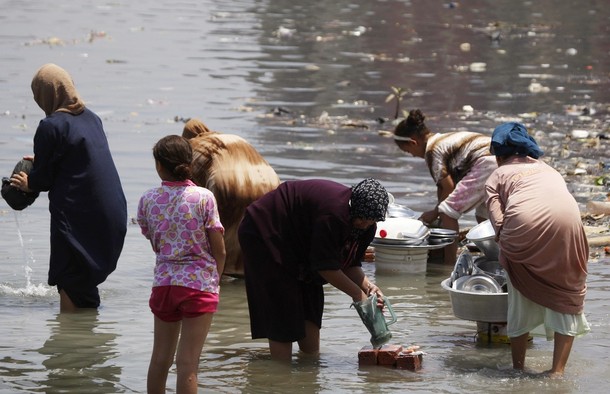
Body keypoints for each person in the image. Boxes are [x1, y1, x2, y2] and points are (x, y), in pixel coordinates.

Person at [9, 63, 127, 312]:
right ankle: (85, 339)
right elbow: (80, 159)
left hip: (78, 218)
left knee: (70, 278)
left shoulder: (50, 126)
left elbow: (42, 181)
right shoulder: (92, 119)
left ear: (45, 94)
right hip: (112, 212)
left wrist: (28, 184)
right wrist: (43, 162)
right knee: (82, 281)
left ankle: (72, 345)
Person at [237, 178, 389, 362]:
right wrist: (358, 295)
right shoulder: (334, 215)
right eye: (362, 218)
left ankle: (308, 368)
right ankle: (279, 376)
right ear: (353, 207)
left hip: (301, 242)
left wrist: (367, 287)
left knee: (310, 297)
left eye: (371, 221)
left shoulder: (366, 227)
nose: (364, 224)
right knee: (282, 302)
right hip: (267, 231)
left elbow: (349, 263)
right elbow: (326, 267)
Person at [485, 122, 590, 376]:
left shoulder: (497, 176)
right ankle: (557, 372)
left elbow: (498, 224)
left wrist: (508, 250)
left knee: (518, 296)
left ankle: (518, 369)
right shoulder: (549, 170)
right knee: (566, 291)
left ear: (500, 156)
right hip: (572, 228)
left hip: (524, 228)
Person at [137, 135, 226, 394]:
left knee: (159, 359)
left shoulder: (148, 199)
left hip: (164, 284)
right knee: (187, 363)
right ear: (188, 162)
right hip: (199, 285)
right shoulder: (204, 197)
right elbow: (219, 248)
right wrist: (214, 278)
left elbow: (153, 239)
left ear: (159, 166)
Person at [393, 109, 497, 264]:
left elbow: (448, 186)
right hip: (498, 159)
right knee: (483, 215)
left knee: (448, 212)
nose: (412, 155)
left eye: (408, 151)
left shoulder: (432, 150)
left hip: (484, 164)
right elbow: (442, 188)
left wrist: (435, 213)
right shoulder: (441, 140)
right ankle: (495, 256)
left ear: (413, 142)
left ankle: (448, 265)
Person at [182, 118, 280, 277]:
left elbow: (192, 202)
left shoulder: (192, 147)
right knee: (258, 236)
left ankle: (223, 280)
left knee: (221, 237)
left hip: (227, 184)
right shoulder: (233, 138)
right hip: (269, 182)